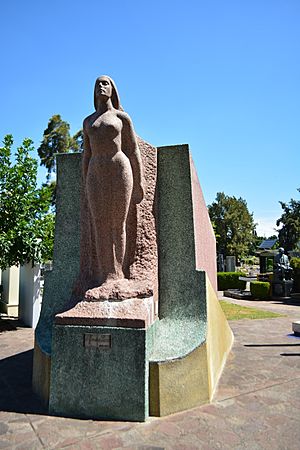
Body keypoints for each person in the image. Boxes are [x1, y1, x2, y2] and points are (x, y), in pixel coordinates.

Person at [82, 75, 144, 285]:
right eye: (97, 84)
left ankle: (118, 273)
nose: (101, 86)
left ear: (113, 89)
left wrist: (140, 181)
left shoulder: (122, 118)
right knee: (99, 224)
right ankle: (105, 273)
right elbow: (86, 155)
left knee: (117, 223)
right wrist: (85, 181)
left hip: (119, 168)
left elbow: (133, 150)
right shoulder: (88, 121)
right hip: (95, 171)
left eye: (105, 83)